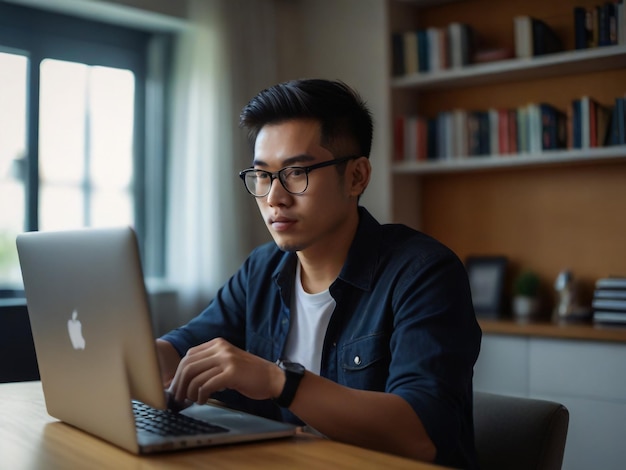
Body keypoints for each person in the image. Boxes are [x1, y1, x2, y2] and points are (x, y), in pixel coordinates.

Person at [156, 79, 481, 468]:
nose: (274, 197)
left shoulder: (424, 274)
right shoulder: (263, 268)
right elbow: (181, 351)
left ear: (357, 176)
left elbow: (423, 435)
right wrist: (120, 353)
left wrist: (280, 381)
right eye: (262, 175)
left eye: (296, 172)